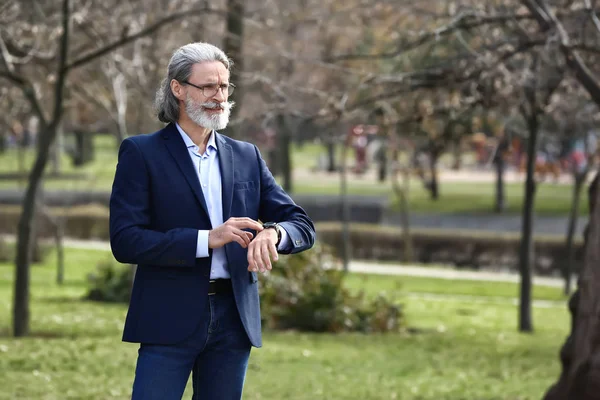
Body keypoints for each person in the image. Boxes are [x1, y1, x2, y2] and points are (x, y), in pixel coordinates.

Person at [109, 42, 316, 400]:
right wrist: (207, 239)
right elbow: (126, 240)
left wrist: (275, 232)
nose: (218, 96)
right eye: (207, 86)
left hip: (234, 319)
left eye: (223, 86)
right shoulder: (141, 153)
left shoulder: (246, 155)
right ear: (178, 88)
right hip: (168, 316)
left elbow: (301, 224)